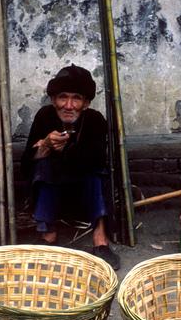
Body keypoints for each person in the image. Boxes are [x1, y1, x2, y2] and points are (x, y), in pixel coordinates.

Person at [21, 65, 120, 270]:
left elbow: (96, 161)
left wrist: (67, 149)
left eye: (76, 98)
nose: (68, 105)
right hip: (52, 194)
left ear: (86, 103)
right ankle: (48, 233)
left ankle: (100, 239)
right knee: (45, 165)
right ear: (53, 100)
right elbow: (25, 166)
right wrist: (45, 147)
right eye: (62, 97)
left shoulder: (95, 120)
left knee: (96, 174)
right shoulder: (44, 117)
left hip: (85, 196)